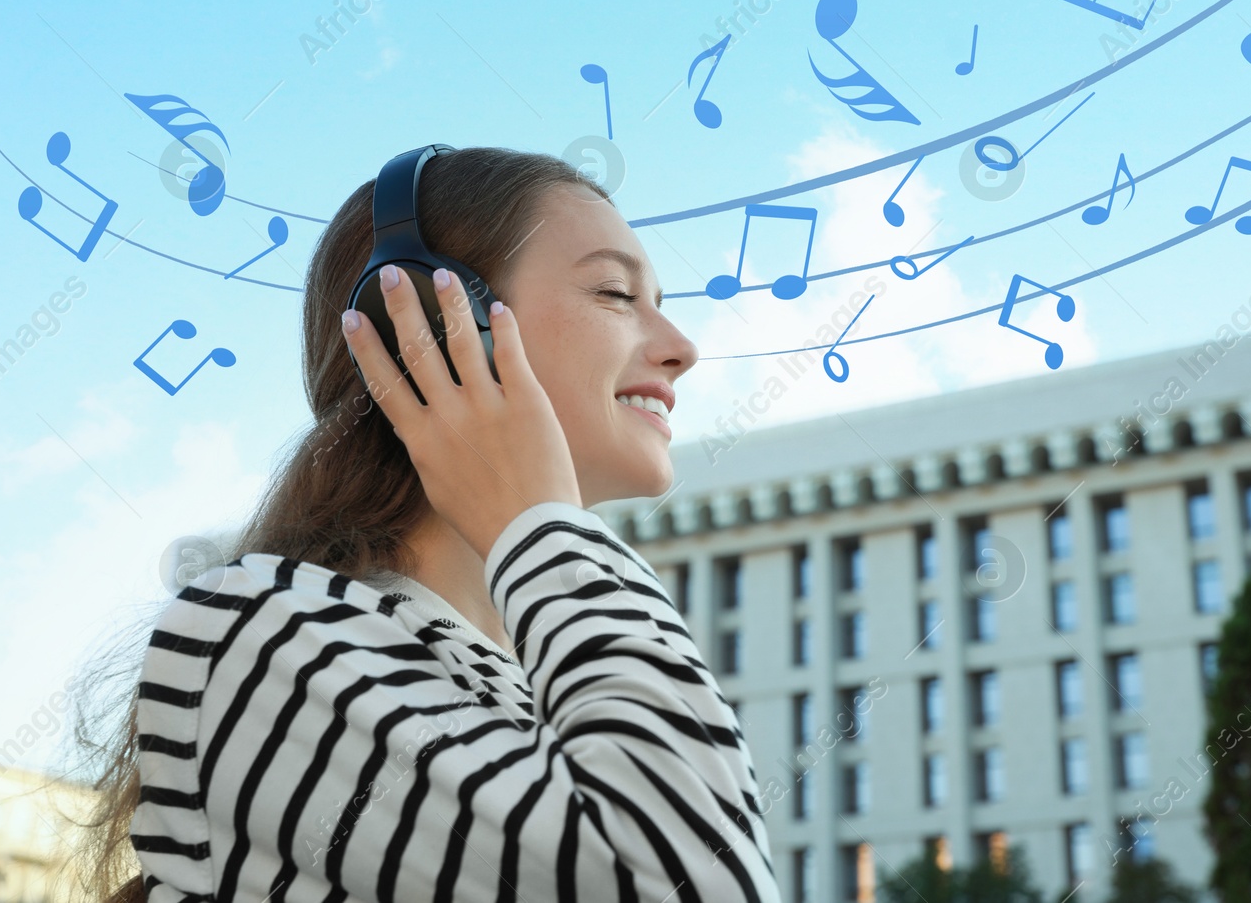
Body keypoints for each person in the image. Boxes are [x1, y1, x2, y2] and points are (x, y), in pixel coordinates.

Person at [70, 148, 781, 902]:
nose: (682, 347)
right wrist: (541, 523)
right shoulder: (264, 635)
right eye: (615, 292)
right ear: (437, 324)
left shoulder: (551, 665)